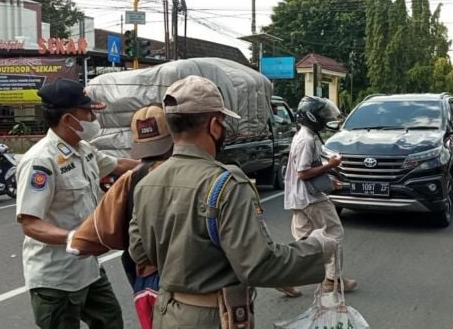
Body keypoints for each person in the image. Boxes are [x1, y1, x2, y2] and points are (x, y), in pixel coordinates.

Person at [128, 76, 337, 328]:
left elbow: (139, 251)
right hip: (214, 317)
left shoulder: (147, 182)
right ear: (215, 125)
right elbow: (258, 265)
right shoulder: (226, 184)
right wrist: (318, 247)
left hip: (167, 312)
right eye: (224, 122)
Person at [15, 78, 139, 329]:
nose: (94, 118)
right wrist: (75, 238)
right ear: (68, 120)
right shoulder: (41, 161)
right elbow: (30, 224)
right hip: (56, 279)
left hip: (88, 270)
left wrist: (166, 166)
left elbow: (121, 165)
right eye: (88, 112)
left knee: (111, 321)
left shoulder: (84, 150)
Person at [67, 104, 174, 329]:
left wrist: (77, 242)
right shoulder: (203, 174)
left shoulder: (131, 179)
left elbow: (89, 237)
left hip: (149, 278)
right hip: (196, 282)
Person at [282, 95, 358, 296]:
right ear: (312, 117)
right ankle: (332, 279)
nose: (326, 119)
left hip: (297, 198)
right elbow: (303, 172)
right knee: (335, 233)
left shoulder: (302, 136)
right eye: (322, 115)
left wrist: (330, 181)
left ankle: (284, 278)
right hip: (309, 198)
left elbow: (307, 171)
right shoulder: (307, 140)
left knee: (304, 243)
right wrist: (331, 166)